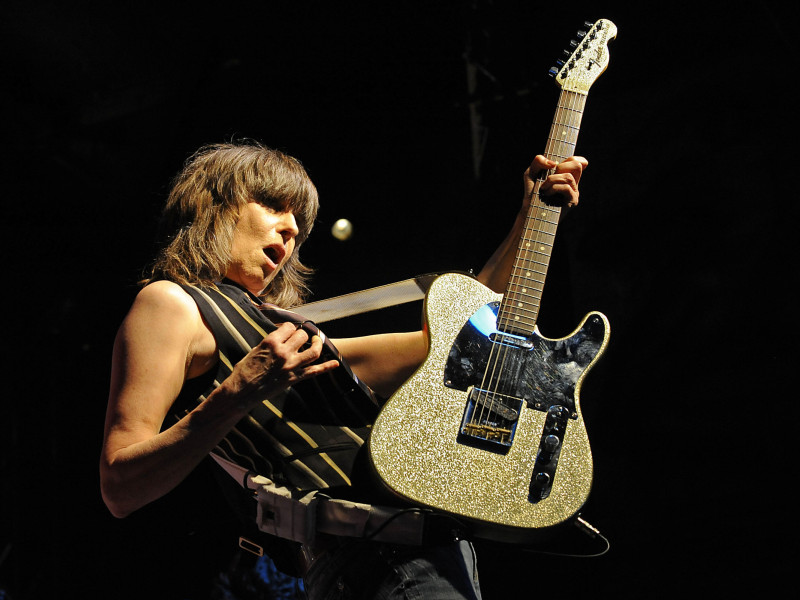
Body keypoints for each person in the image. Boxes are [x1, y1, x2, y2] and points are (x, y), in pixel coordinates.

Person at [100, 140, 587, 599]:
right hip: (376, 561)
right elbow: (120, 486)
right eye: (273, 206)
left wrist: (531, 218)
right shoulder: (171, 303)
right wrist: (239, 391)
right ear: (217, 207)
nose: (290, 231)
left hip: (434, 556)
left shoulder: (286, 336)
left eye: (298, 224)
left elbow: (464, 340)